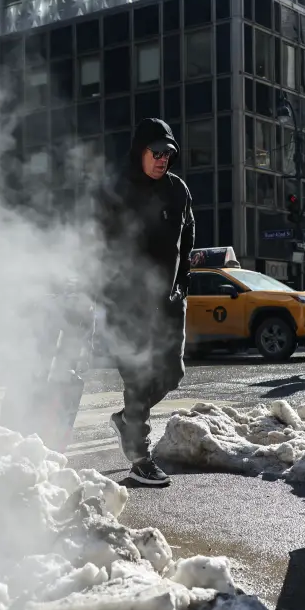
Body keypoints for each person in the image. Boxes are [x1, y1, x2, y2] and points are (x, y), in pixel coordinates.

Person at [98, 118, 195, 486]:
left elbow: (188, 239)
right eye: (156, 153)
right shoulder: (117, 191)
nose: (162, 160)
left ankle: (126, 419)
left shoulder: (178, 190)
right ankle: (140, 457)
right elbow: (99, 245)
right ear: (140, 152)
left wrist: (182, 282)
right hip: (128, 301)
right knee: (137, 376)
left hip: (168, 300)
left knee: (172, 372)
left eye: (168, 154)